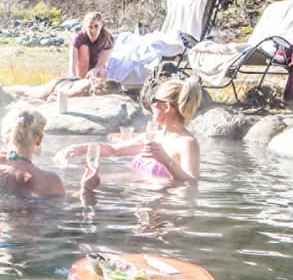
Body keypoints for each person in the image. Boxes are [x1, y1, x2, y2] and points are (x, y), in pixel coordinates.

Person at [57, 75, 202, 185]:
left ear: (167, 107)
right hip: (141, 203)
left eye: (154, 101)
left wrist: (165, 161)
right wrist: (80, 148)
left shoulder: (187, 143)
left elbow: (192, 182)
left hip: (164, 212)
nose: (151, 106)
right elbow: (114, 150)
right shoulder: (153, 136)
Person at [20, 12, 115, 102]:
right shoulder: (79, 38)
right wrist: (74, 79)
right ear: (85, 26)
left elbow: (101, 63)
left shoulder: (108, 38)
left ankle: (94, 93)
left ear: (101, 25)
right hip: (81, 70)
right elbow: (72, 63)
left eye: (96, 26)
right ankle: (78, 85)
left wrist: (95, 71)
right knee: (35, 93)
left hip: (96, 70)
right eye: (90, 27)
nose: (93, 30)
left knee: (102, 71)